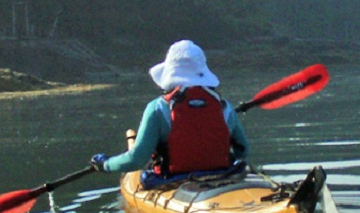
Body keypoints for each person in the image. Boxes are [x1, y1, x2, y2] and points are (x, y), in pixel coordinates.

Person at [90, 40, 249, 177]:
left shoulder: (158, 108)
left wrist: (105, 164)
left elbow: (136, 160)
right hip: (222, 176)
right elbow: (243, 149)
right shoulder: (224, 107)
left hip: (172, 180)